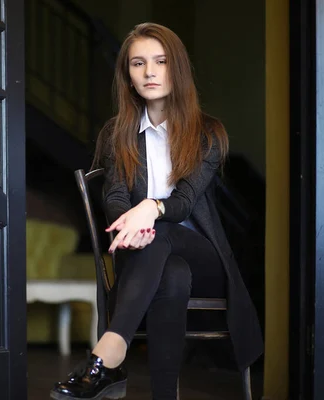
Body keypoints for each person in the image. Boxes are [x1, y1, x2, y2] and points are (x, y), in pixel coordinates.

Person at [50, 22, 263, 400]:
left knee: (163, 236)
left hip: (204, 259)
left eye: (160, 61)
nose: (149, 72)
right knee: (171, 273)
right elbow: (114, 197)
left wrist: (150, 207)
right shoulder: (117, 134)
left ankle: (108, 356)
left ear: (176, 68)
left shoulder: (208, 134)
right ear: (128, 76)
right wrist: (132, 222)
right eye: (138, 63)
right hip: (145, 252)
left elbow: (182, 203)